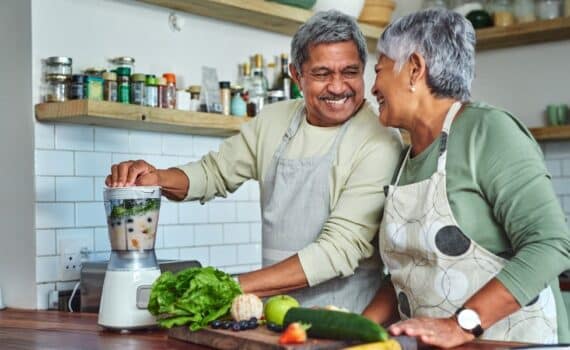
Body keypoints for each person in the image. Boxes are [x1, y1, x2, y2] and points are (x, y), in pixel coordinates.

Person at [106, 10, 403, 313]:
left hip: (346, 322)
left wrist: (228, 287)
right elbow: (214, 173)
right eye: (322, 74)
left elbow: (338, 249)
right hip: (272, 318)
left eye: (350, 72)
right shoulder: (274, 121)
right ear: (297, 75)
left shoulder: (380, 141)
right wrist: (157, 177)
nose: (338, 87)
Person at [362, 8, 570, 347]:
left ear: (415, 68)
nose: (373, 87)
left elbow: (551, 244)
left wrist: (461, 325)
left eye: (380, 70)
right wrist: (349, 331)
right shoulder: (404, 160)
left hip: (514, 343)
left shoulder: (488, 131)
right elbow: (410, 276)